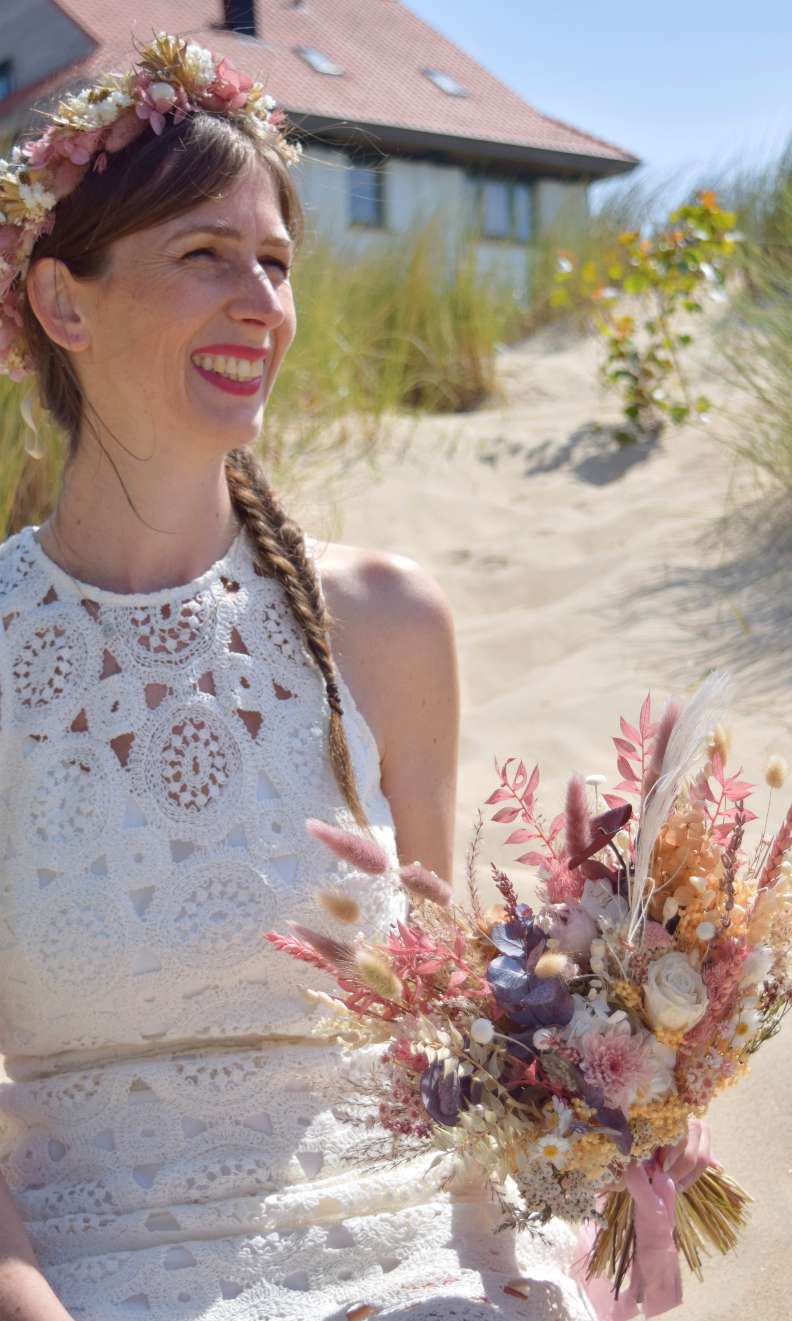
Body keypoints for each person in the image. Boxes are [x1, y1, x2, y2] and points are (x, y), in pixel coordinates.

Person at [0, 33, 599, 1321]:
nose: (261, 303)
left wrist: (621, 1092)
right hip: (93, 1270)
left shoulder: (386, 625)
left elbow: (453, 1018)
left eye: (276, 263)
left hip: (414, 1247)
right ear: (63, 303)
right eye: (203, 256)